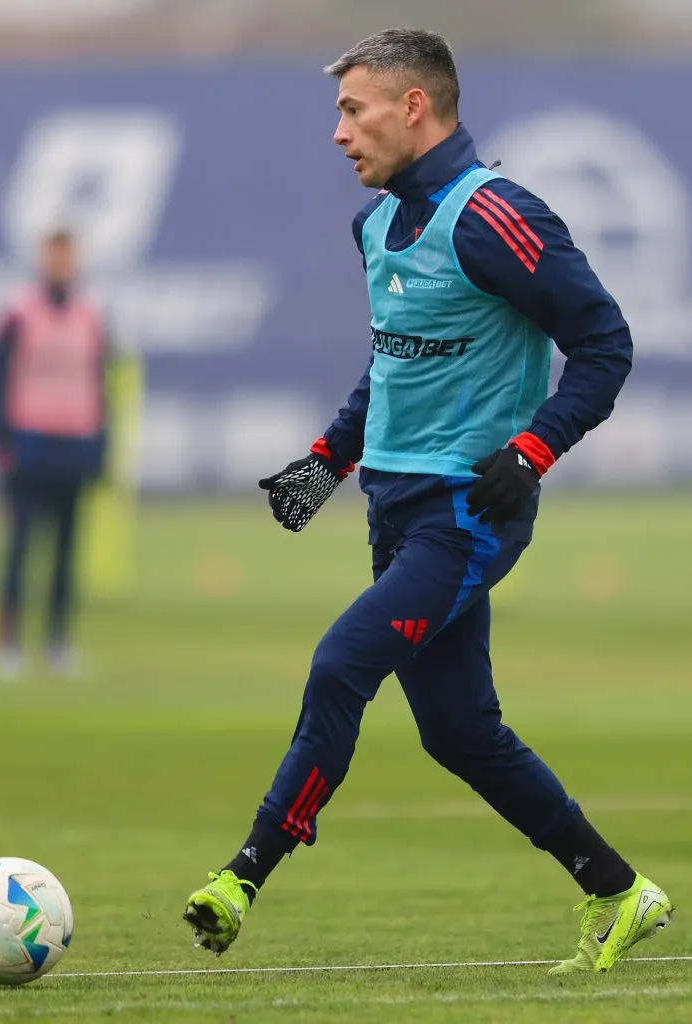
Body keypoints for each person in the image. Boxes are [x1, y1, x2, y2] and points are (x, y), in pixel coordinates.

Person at [182, 29, 673, 975]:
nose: (337, 133)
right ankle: (619, 893)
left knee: (339, 665)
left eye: (352, 109)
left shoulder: (495, 216)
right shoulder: (374, 227)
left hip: (466, 516)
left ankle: (243, 874)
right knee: (458, 734)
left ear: (415, 108)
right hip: (393, 510)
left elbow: (604, 344)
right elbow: (392, 363)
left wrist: (531, 451)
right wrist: (328, 459)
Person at [0, 230, 108, 677]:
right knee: (19, 545)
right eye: (54, 257)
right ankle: (8, 643)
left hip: (74, 439)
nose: (61, 265)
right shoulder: (18, 310)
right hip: (29, 439)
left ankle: (57, 641)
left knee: (66, 550)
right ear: (42, 260)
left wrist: (101, 445)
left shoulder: (90, 313)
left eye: (67, 257)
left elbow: (99, 382)